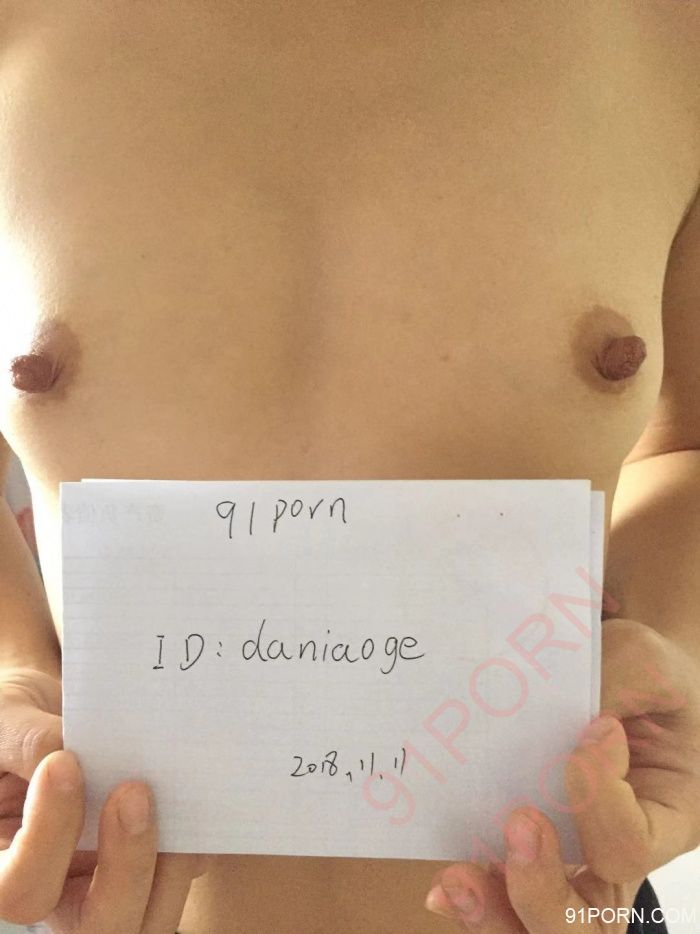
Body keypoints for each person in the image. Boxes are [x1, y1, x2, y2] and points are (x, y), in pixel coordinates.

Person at [0, 2, 699, 932]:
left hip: (576, 915)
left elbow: (685, 442)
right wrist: (14, 663)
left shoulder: (673, 37)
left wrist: (665, 649)